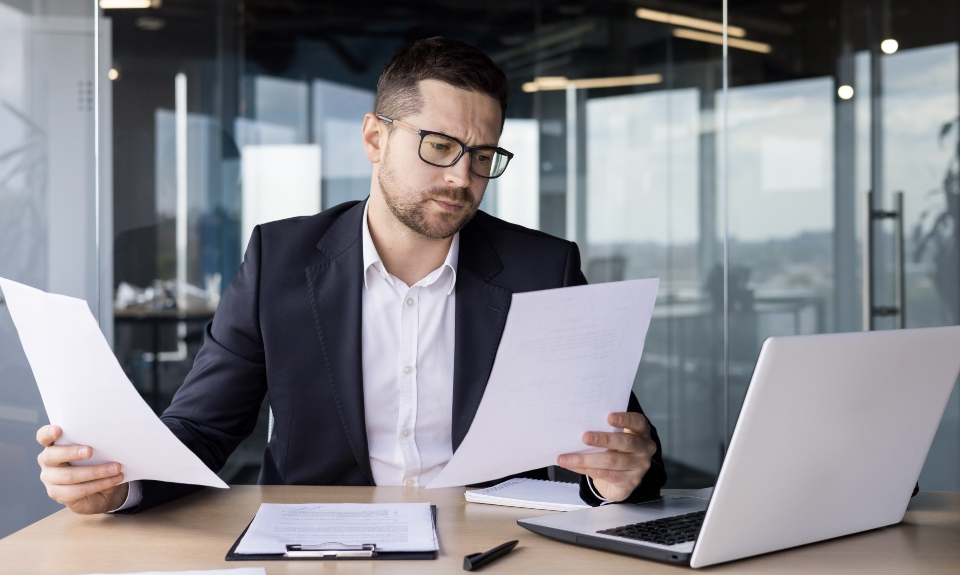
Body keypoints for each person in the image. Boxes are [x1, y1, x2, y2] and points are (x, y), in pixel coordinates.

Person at [35, 37, 666, 515]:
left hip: (491, 546)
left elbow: (618, 444)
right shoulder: (278, 260)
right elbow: (200, 430)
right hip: (321, 546)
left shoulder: (542, 268)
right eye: (439, 146)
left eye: (481, 157)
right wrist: (118, 485)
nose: (461, 178)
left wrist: (616, 476)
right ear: (374, 137)